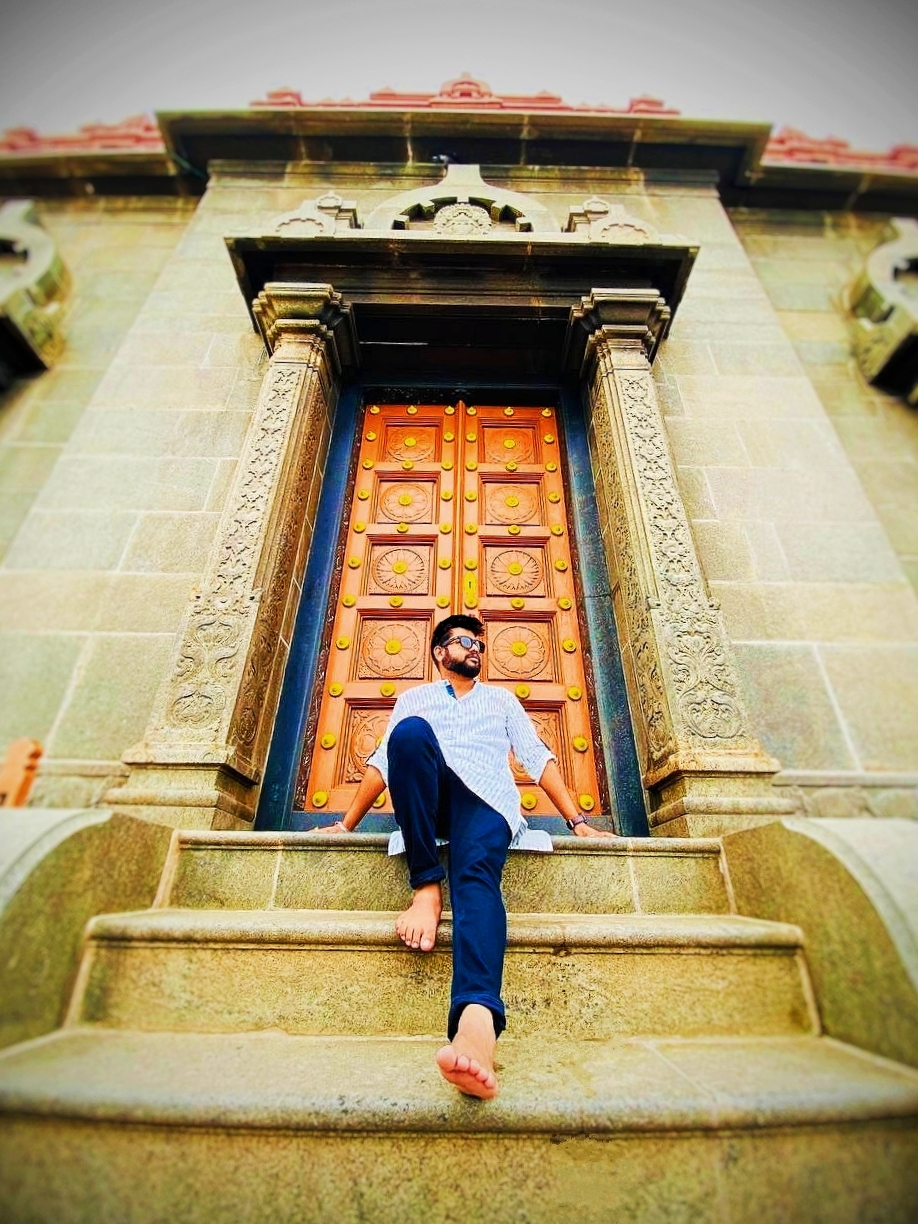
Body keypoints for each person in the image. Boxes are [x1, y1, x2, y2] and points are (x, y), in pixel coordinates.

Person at [315, 614, 612, 1099]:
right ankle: (426, 888)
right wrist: (346, 824)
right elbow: (384, 764)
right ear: (439, 653)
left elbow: (537, 759)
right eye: (463, 641)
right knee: (409, 734)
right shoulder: (415, 699)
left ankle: (477, 1023)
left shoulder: (501, 701)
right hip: (430, 807)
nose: (474, 648)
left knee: (475, 875)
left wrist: (578, 822)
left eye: (479, 643)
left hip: (487, 803)